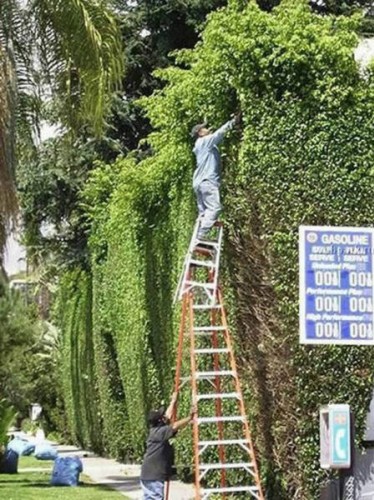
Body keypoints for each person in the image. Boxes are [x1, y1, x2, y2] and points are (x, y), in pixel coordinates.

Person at [191, 114, 241, 240]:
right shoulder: (205, 141)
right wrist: (233, 121)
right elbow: (219, 134)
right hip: (207, 181)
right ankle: (200, 236)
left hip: (199, 182)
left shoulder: (199, 145)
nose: (208, 129)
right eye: (205, 128)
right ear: (200, 133)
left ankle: (198, 236)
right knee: (215, 208)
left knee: (203, 213)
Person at [140, 392, 195, 499]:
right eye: (162, 416)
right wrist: (189, 417)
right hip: (153, 475)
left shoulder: (156, 431)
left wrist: (173, 401)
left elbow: (167, 416)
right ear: (160, 421)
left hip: (148, 474)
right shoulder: (160, 433)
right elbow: (175, 426)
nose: (165, 416)